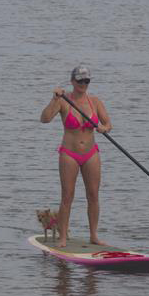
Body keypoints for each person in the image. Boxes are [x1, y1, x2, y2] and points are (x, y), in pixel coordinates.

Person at [40, 63, 113, 248]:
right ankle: (63, 237)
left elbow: (107, 123)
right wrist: (54, 99)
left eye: (87, 80)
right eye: (80, 80)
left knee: (93, 195)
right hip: (69, 154)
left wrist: (104, 128)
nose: (83, 84)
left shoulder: (95, 102)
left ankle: (94, 235)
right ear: (72, 81)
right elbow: (45, 119)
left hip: (91, 154)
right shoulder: (64, 100)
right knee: (67, 196)